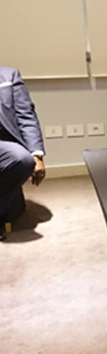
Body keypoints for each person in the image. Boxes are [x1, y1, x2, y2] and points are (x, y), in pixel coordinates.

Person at [1, 66, 45, 240]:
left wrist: (37, 155)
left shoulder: (8, 75)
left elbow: (25, 115)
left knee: (23, 160)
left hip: (3, 144)